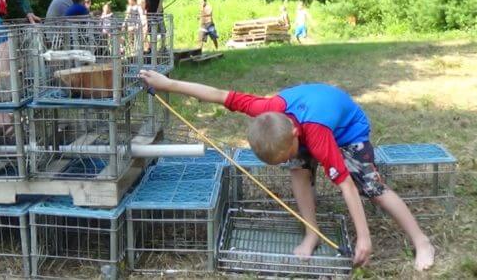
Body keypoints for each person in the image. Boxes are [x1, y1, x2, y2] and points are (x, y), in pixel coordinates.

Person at [138, 69, 436, 272]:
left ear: (295, 135)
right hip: (306, 117)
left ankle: (421, 241)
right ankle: (312, 233)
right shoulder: (264, 109)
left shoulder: (318, 136)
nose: (285, 161)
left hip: (347, 130)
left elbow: (345, 186)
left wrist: (364, 237)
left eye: (286, 154)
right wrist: (169, 84)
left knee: (371, 188)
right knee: (298, 171)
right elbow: (216, 94)